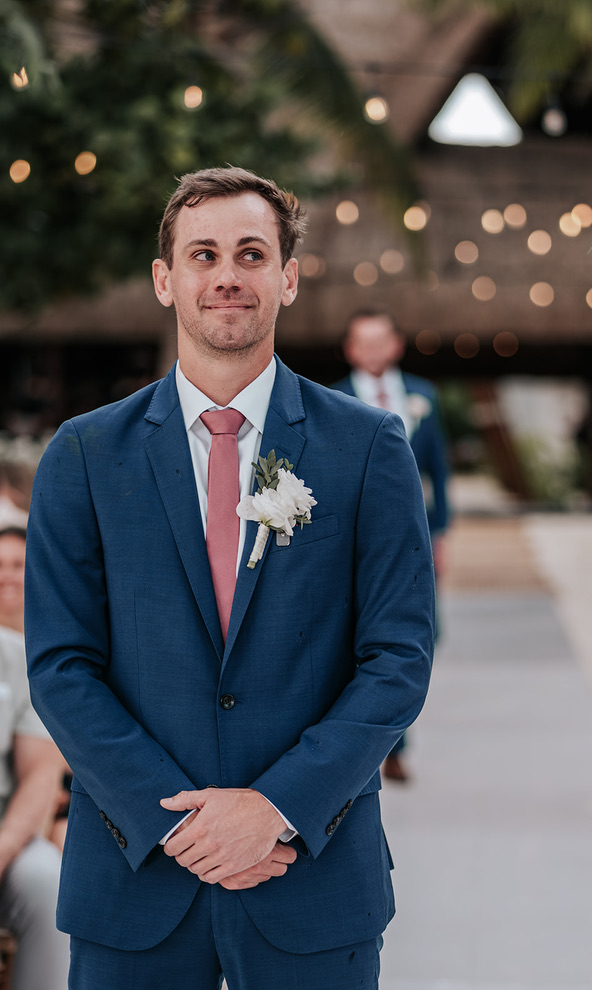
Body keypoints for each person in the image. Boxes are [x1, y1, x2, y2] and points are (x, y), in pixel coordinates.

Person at [24, 167, 435, 989]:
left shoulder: (368, 447)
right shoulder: (84, 454)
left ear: (287, 277)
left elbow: (398, 659)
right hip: (135, 875)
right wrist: (181, 825)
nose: (227, 276)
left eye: (252, 254)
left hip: (310, 875)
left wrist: (276, 809)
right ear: (164, 280)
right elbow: (61, 667)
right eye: (203, 254)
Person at [334, 309, 449, 781]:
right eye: (364, 342)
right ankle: (381, 745)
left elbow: (439, 469)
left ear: (396, 345)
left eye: (380, 340)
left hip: (416, 531)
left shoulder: (424, 396)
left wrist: (442, 533)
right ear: (351, 350)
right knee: (361, 631)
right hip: (357, 532)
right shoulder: (333, 398)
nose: (373, 350)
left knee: (418, 632)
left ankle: (396, 738)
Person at [0, 526, 70, 989]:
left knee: (47, 877)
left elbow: (42, 772)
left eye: (17, 565)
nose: (7, 576)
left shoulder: (21, 657)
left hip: (11, 832)